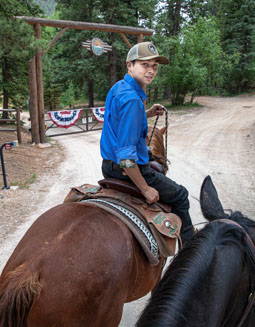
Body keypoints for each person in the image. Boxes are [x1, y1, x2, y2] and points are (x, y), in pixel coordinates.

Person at [100, 41, 194, 243]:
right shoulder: (133, 100)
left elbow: (120, 120)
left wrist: (147, 113)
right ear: (129, 65)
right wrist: (145, 189)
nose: (151, 71)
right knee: (181, 196)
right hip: (127, 170)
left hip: (108, 168)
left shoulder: (119, 88)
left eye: (154, 66)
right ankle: (190, 247)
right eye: (145, 65)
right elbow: (126, 158)